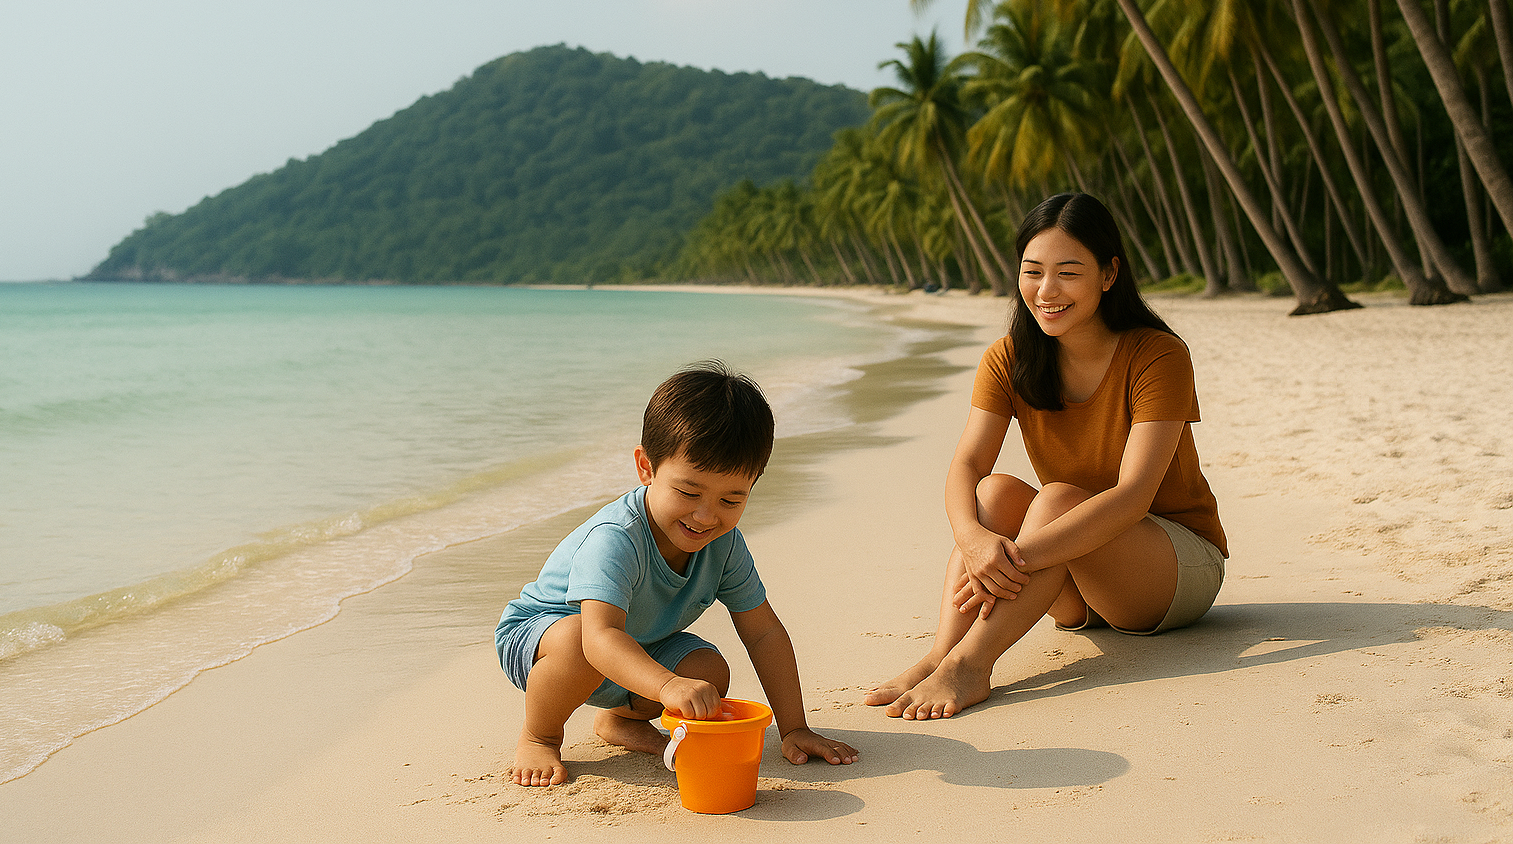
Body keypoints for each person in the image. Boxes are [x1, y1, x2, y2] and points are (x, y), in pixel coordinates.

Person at [865, 192, 1228, 721]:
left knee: (1056, 500)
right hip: (1072, 578)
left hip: (1171, 569)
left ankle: (970, 665)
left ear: (1109, 274)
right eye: (1032, 271)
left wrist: (1012, 559)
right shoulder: (1009, 358)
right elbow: (967, 466)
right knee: (993, 493)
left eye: (1068, 273)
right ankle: (940, 654)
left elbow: (1133, 497)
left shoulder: (1157, 355)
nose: (1046, 291)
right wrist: (974, 542)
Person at [497, 360, 860, 786]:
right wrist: (667, 685)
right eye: (688, 492)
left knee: (709, 671)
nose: (706, 516)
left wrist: (794, 727)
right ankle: (539, 735)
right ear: (646, 467)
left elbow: (763, 632)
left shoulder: (724, 545)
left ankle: (621, 720)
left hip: (640, 643)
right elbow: (599, 638)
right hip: (546, 639)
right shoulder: (615, 538)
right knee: (580, 642)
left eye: (731, 501)